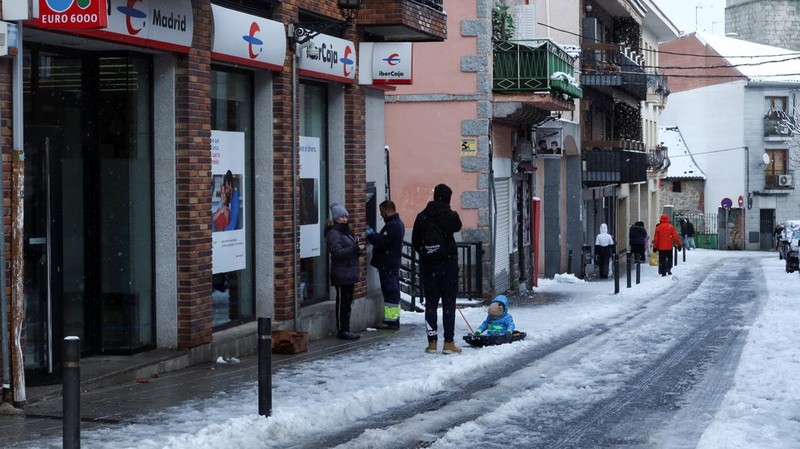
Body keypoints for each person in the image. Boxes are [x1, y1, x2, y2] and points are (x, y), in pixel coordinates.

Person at [412, 184, 463, 354]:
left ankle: (432, 342)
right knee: (449, 304)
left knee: (431, 305)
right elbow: (457, 227)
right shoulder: (451, 216)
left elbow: (415, 242)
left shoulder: (422, 217)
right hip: (448, 265)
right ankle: (448, 342)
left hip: (429, 267)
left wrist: (427, 254)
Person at [325, 202, 363, 341]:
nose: (345, 220)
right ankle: (343, 329)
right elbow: (336, 253)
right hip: (342, 273)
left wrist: (357, 250)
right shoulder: (334, 233)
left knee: (347, 302)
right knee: (343, 302)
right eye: (342, 217)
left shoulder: (346, 232)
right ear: (336, 218)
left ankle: (346, 328)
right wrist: (352, 249)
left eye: (346, 217)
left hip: (349, 272)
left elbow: (347, 249)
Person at [366, 200, 405, 330]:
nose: (381, 215)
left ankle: (391, 321)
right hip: (390, 263)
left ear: (387, 210)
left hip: (388, 264)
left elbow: (381, 241)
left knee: (390, 291)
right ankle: (392, 320)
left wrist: (371, 235)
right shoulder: (395, 224)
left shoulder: (393, 225)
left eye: (382, 212)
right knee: (391, 291)